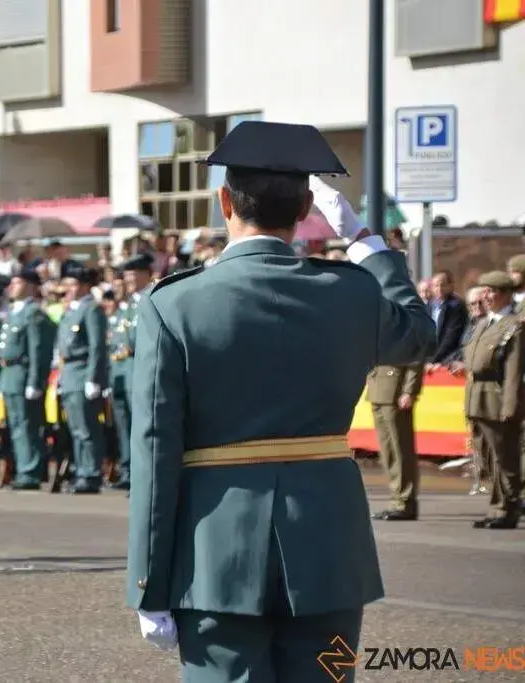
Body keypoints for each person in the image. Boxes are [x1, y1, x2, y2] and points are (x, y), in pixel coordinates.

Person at [125, 121, 436, 680]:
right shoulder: (352, 291)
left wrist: (147, 582)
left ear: (225, 201)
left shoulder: (174, 304)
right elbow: (418, 335)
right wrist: (366, 241)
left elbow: (154, 449)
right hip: (329, 547)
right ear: (305, 211)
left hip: (214, 552)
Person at [455, 271, 522, 529]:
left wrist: (510, 404)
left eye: (492, 291)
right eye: (485, 291)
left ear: (505, 294)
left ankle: (507, 507)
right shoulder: (484, 323)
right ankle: (496, 505)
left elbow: (514, 371)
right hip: (477, 396)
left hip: (496, 396)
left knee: (504, 456)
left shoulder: (513, 326)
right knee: (485, 456)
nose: (487, 296)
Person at [0, 265, 55, 490]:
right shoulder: (16, 311)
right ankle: (25, 468)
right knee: (16, 426)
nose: (11, 287)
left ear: (31, 286)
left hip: (22, 374)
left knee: (26, 426)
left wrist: (34, 381)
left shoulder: (33, 313)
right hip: (10, 373)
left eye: (18, 283)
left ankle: (29, 471)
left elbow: (37, 350)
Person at [55, 262, 107, 494]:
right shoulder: (72, 310)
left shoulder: (91, 309)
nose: (70, 289)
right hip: (69, 373)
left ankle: (91, 473)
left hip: (83, 371)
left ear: (85, 286)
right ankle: (81, 471)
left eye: (74, 284)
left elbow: (97, 346)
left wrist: (93, 378)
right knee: (76, 429)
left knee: (87, 429)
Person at [107, 253, 154, 490]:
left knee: (139, 423)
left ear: (146, 274)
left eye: (134, 273)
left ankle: (140, 474)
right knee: (123, 423)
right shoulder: (127, 304)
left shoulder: (150, 299)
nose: (129, 278)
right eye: (127, 274)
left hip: (138, 366)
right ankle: (127, 470)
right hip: (122, 368)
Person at [366, 362, 424, 520]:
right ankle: (395, 500)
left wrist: (409, 390)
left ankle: (405, 501)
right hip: (377, 387)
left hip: (396, 389)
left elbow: (415, 358)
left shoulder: (403, 335)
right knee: (388, 452)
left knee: (400, 450)